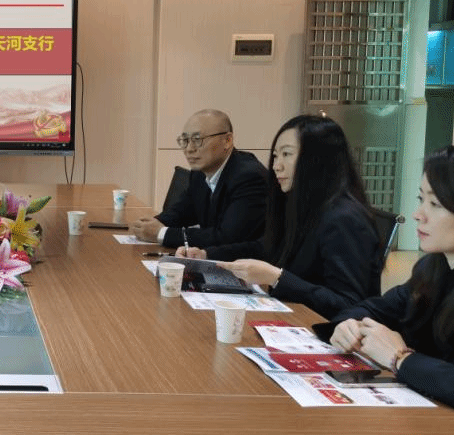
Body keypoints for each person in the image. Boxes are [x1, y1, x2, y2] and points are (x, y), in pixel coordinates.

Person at [180, 115, 381, 318]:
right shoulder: (301, 204)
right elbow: (265, 247)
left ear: (318, 159)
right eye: (276, 156)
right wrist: (206, 255)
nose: (277, 165)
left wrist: (276, 277)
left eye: (287, 154)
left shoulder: (345, 218)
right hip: (294, 315)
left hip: (325, 328)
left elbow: (349, 305)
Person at [324, 143, 454, 414]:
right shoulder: (431, 268)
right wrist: (349, 326)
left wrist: (401, 359)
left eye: (436, 204)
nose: (419, 214)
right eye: (421, 199)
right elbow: (372, 308)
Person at [129, 109, 266, 249]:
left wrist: (162, 233)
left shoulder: (249, 177)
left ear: (227, 140)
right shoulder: (200, 173)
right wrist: (149, 224)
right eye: (185, 140)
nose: (189, 149)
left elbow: (227, 237)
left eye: (197, 140)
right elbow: (181, 212)